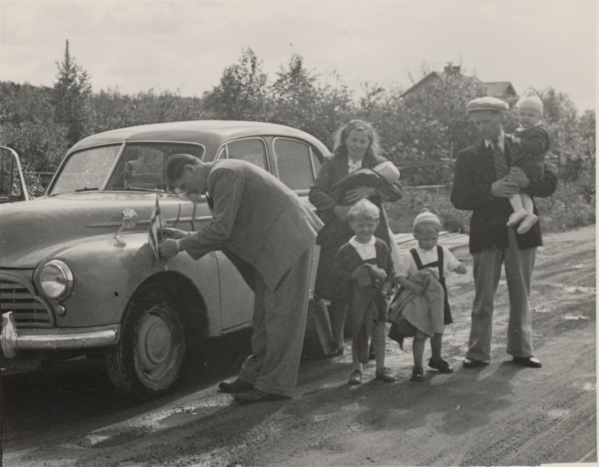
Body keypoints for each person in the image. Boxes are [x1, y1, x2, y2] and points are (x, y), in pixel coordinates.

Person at [158, 154, 323, 403]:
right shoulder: (223, 174)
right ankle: (253, 377)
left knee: (282, 317)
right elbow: (227, 229)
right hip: (278, 242)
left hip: (288, 240)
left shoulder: (223, 174)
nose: (186, 193)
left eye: (183, 185)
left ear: (191, 168)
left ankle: (275, 386)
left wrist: (180, 244)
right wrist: (184, 236)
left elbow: (221, 230)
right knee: (265, 315)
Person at [450, 96, 557, 369]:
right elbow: (458, 198)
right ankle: (477, 352)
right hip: (488, 233)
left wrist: (529, 182)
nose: (482, 127)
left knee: (521, 292)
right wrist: (490, 190)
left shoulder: (524, 143)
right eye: (477, 123)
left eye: (487, 121)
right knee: (483, 295)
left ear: (501, 119)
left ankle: (521, 350)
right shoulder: (468, 155)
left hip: (523, 230)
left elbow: (550, 182)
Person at [309, 120, 402, 359]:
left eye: (363, 141)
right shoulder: (332, 163)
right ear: (345, 140)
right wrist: (337, 208)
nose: (358, 145)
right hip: (338, 232)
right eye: (353, 140)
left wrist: (372, 192)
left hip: (371, 232)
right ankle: (337, 343)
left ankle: (370, 344)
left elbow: (397, 190)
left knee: (372, 285)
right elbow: (315, 192)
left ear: (370, 142)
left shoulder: (379, 164)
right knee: (338, 285)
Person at [388, 210, 467, 382]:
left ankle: (436, 359)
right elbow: (399, 276)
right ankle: (417, 366)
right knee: (421, 332)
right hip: (420, 298)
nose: (429, 243)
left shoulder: (442, 251)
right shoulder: (410, 255)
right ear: (415, 236)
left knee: (438, 331)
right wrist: (413, 287)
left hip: (438, 298)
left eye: (433, 239)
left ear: (438, 235)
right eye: (425, 239)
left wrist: (460, 268)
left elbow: (454, 265)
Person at [333, 199, 396, 385]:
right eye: (360, 225)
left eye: (370, 224)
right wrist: (353, 275)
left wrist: (388, 284)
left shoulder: (381, 246)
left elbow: (390, 269)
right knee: (359, 332)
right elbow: (336, 273)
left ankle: (381, 367)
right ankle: (356, 369)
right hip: (357, 299)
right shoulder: (346, 250)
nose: (366, 229)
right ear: (351, 224)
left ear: (377, 223)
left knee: (378, 332)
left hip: (378, 299)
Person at [505, 89, 551, 234]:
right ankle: (529, 215)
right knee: (524, 192)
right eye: (522, 114)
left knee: (510, 185)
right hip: (527, 166)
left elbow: (538, 147)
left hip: (530, 167)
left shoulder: (539, 131)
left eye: (531, 115)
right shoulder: (524, 130)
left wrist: (519, 141)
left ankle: (519, 211)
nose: (526, 118)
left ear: (540, 117)